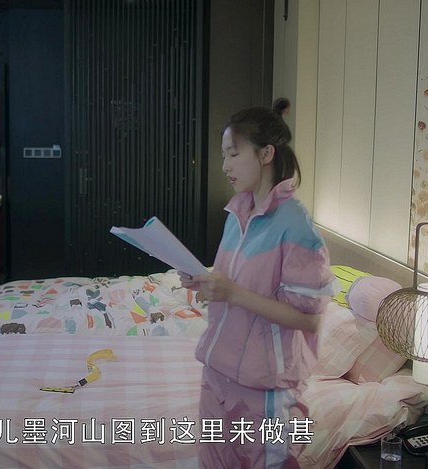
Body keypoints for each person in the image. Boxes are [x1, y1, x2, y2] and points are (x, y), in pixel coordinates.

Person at [180, 98, 336, 468]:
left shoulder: (296, 226)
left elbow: (309, 319)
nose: (224, 166)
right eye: (224, 156)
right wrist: (206, 283)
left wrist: (232, 292)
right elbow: (235, 282)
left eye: (233, 154)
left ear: (266, 154)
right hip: (217, 371)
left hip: (265, 386)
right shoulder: (237, 213)